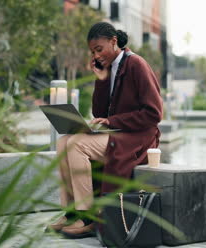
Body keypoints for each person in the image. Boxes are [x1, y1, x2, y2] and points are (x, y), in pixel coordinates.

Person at [47, 22, 163, 238]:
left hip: (137, 137)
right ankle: (71, 212)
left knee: (76, 144)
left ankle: (88, 215)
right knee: (64, 141)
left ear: (113, 41)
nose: (96, 55)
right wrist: (100, 80)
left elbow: (154, 114)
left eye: (99, 49)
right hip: (118, 132)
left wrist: (112, 121)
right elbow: (100, 111)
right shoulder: (109, 69)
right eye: (92, 52)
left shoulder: (136, 64)